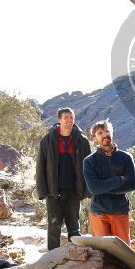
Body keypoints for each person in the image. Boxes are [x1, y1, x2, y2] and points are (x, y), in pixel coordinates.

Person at [36, 107, 92, 250]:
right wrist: (43, 191)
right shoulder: (47, 140)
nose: (69, 120)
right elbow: (41, 166)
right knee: (54, 225)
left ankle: (76, 255)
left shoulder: (82, 141)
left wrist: (87, 190)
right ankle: (51, 258)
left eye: (71, 118)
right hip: (53, 190)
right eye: (65, 118)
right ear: (59, 120)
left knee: (74, 225)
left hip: (74, 190)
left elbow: (88, 166)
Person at [82, 120, 135, 244]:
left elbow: (131, 185)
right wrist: (119, 180)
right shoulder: (89, 161)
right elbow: (93, 188)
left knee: (124, 252)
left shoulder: (126, 158)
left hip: (120, 211)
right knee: (102, 252)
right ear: (94, 138)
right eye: (100, 133)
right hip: (99, 212)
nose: (105, 135)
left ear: (112, 133)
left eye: (107, 131)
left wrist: (103, 186)